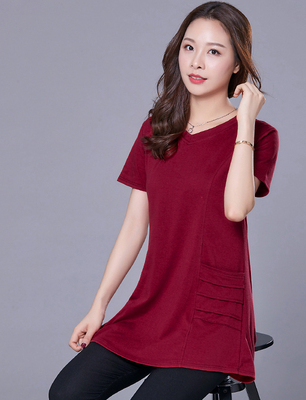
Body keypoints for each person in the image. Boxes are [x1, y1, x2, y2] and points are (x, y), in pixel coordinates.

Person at [49, 1, 279, 399]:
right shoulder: (156, 129)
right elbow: (134, 226)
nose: (197, 62)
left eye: (214, 51)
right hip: (153, 305)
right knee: (67, 393)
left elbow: (235, 208)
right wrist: (98, 306)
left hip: (212, 318)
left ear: (237, 65)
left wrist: (244, 122)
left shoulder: (261, 135)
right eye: (189, 47)